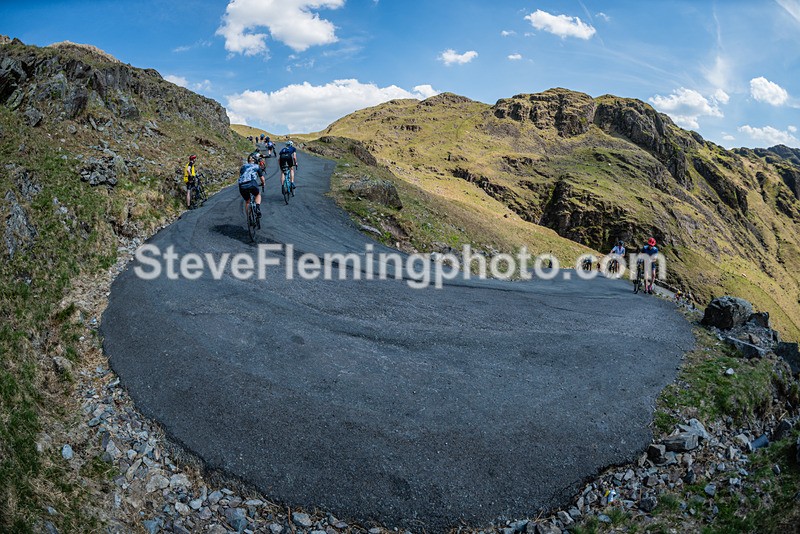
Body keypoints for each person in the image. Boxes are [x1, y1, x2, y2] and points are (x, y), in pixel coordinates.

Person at [238, 155, 264, 225]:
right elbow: (262, 178)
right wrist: (263, 184)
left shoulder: (243, 166)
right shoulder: (256, 166)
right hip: (251, 183)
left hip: (242, 185)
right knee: (258, 195)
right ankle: (257, 208)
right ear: (255, 160)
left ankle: (249, 218)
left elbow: (241, 175)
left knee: (247, 201)